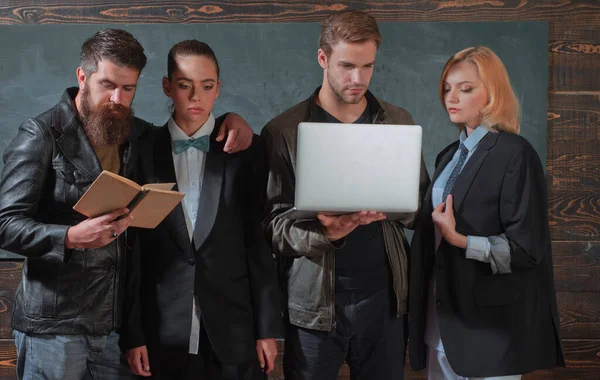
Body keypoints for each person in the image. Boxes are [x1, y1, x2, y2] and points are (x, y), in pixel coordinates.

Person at [0, 29, 253, 380]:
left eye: (128, 88)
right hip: (54, 327)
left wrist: (231, 119)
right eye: (107, 85)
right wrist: (71, 237)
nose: (117, 98)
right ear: (82, 77)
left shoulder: (136, 133)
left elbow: (187, 125)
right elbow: (6, 224)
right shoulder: (40, 134)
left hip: (116, 329)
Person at [261, 10, 429, 380]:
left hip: (385, 302)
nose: (358, 79)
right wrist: (327, 233)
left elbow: (420, 211)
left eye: (367, 66)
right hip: (314, 307)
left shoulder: (398, 122)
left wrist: (395, 206)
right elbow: (273, 229)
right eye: (347, 66)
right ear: (322, 59)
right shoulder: (284, 131)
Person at [124, 40, 282, 380]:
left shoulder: (246, 150)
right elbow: (134, 252)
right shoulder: (141, 151)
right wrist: (133, 334)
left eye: (206, 86)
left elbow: (259, 244)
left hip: (235, 330)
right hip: (163, 333)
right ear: (168, 87)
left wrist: (266, 328)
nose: (196, 97)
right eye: (184, 86)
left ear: (218, 88)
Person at [408, 46, 565, 379]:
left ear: (492, 95)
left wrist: (461, 240)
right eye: (447, 88)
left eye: (466, 89)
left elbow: (526, 250)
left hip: (490, 331)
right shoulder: (447, 156)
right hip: (440, 326)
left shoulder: (515, 154)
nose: (452, 97)